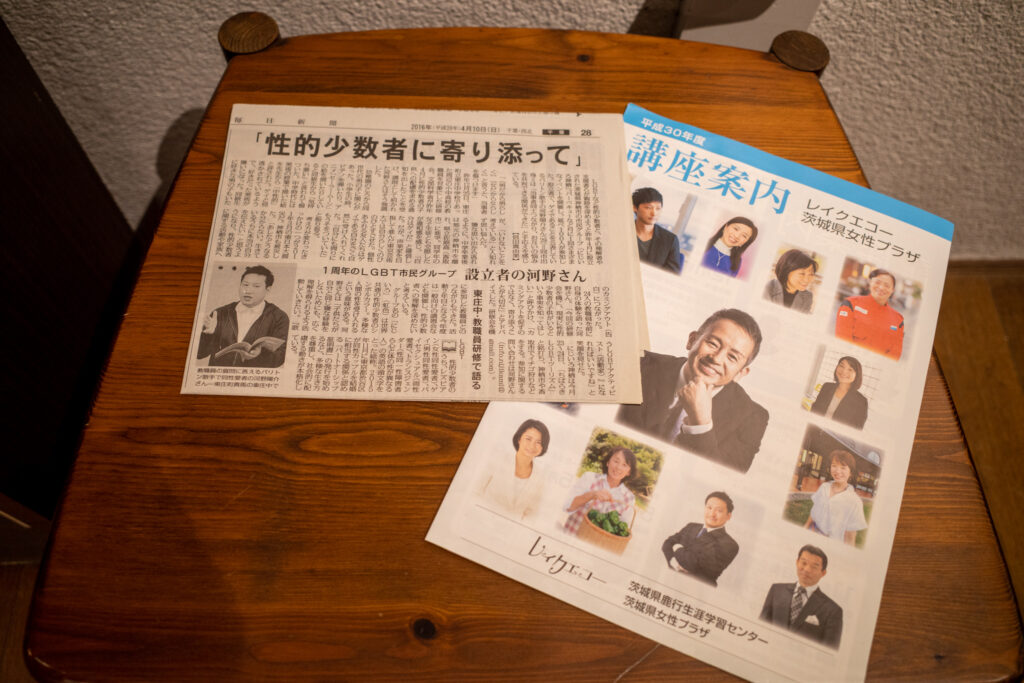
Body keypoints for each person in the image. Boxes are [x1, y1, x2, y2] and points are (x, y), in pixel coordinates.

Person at [617, 309, 769, 473]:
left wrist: (701, 423)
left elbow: (719, 481)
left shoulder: (753, 418)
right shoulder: (638, 365)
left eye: (732, 357)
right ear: (692, 340)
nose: (716, 359)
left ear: (740, 373)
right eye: (713, 344)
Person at [197, 265, 289, 367]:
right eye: (245, 285)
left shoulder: (279, 317)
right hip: (219, 374)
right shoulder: (220, 313)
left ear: (268, 289)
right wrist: (208, 334)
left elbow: (280, 357)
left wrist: (259, 355)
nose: (248, 290)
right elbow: (199, 354)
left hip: (252, 376)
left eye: (256, 286)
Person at [760, 545, 843, 648]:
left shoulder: (833, 610)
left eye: (814, 567)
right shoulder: (776, 590)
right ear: (797, 562)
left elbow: (829, 650)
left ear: (823, 573)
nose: (807, 569)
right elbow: (761, 627)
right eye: (804, 563)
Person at [661, 491, 739, 587]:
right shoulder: (691, 526)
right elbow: (667, 544)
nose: (712, 514)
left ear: (728, 516)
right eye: (709, 508)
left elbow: (693, 564)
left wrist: (677, 547)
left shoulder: (730, 544)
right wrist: (674, 562)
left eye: (719, 510)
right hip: (670, 579)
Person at [478, 419, 551, 521]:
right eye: (528, 439)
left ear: (543, 447)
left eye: (538, 442)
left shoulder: (540, 478)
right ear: (519, 439)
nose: (532, 445)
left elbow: (531, 514)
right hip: (481, 519)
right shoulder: (497, 459)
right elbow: (476, 490)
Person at [563, 446, 637, 536]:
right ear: (608, 462)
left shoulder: (629, 498)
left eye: (624, 465)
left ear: (629, 472)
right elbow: (568, 507)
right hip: (572, 534)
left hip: (598, 542)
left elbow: (622, 531)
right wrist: (591, 495)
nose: (618, 467)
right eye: (616, 461)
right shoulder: (589, 478)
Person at [835, 268, 904, 359]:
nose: (881, 288)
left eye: (887, 285)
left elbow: (895, 354)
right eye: (877, 282)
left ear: (892, 290)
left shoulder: (898, 320)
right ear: (870, 283)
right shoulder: (850, 304)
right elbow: (842, 341)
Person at [805, 450, 867, 546]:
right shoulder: (824, 487)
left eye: (843, 467)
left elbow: (850, 539)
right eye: (834, 466)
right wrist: (805, 527)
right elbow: (814, 513)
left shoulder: (855, 502)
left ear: (851, 472)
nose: (837, 471)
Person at [631, 187, 682, 273]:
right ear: (635, 208)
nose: (654, 213)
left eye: (658, 208)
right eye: (648, 208)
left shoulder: (670, 240)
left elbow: (672, 274)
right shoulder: (620, 231)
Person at [810, 356, 869, 429]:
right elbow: (814, 411)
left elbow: (856, 430)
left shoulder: (861, 401)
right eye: (841, 366)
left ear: (857, 375)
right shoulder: (826, 387)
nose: (844, 371)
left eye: (850, 369)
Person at [763, 248, 817, 312]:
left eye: (811, 274)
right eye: (802, 274)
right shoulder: (768, 288)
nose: (807, 279)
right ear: (787, 271)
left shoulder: (807, 296)